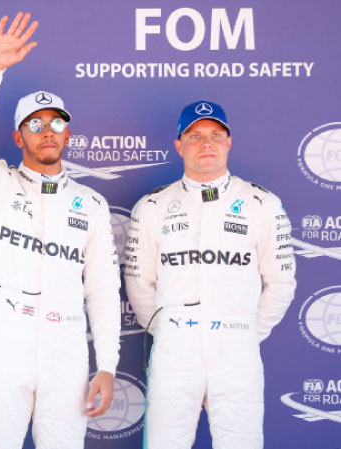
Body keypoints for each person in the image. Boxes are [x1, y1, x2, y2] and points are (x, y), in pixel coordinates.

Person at [0, 12, 121, 449]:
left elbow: (102, 290)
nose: (47, 131)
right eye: (35, 124)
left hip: (67, 343)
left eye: (57, 123)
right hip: (9, 337)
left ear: (68, 136)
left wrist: (106, 364)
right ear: (17, 137)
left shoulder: (91, 204)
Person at [124, 100, 296, 448]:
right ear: (178, 145)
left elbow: (281, 282)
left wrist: (243, 330)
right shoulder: (152, 206)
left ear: (229, 142)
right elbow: (139, 284)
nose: (207, 143)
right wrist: (173, 331)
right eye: (195, 135)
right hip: (174, 353)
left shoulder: (262, 203)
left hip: (237, 355)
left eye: (216, 135)